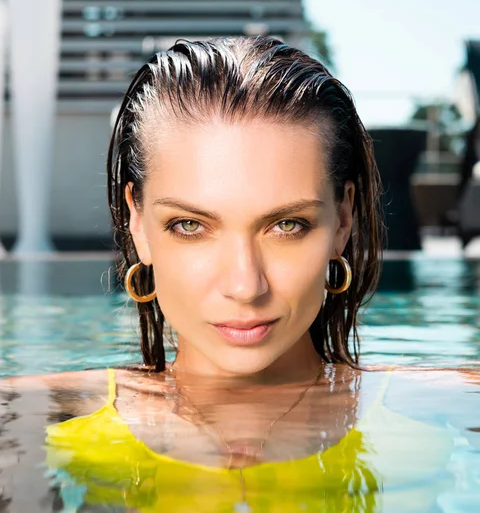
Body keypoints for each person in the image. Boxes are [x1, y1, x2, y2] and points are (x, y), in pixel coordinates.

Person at [1, 37, 479, 512]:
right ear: (139, 224)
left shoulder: (435, 405)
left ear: (343, 219)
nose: (245, 285)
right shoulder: (41, 411)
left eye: (287, 225)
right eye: (190, 225)